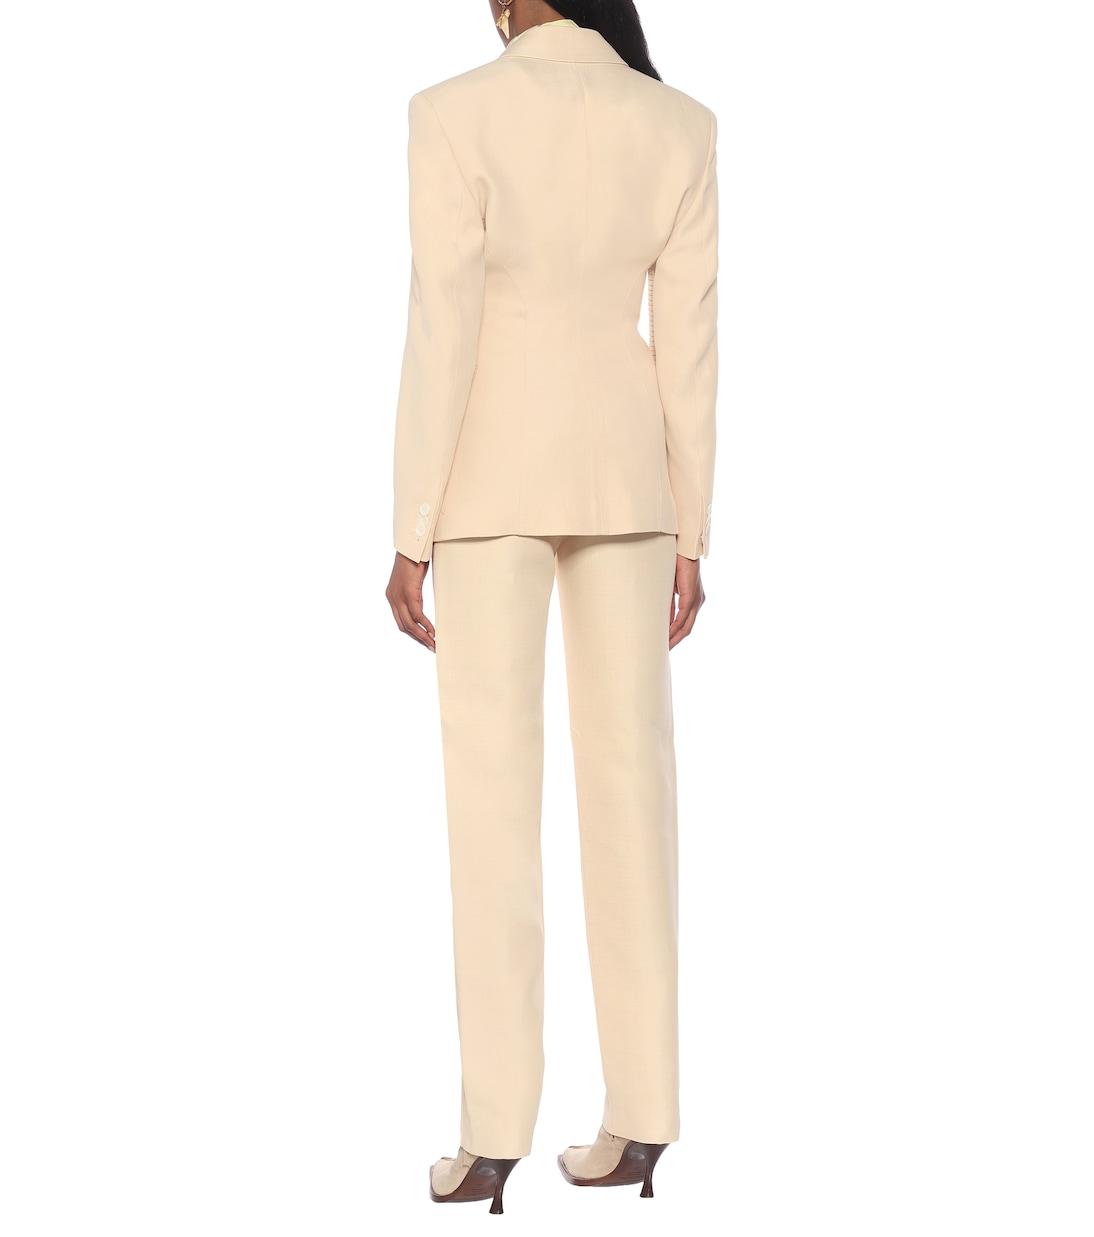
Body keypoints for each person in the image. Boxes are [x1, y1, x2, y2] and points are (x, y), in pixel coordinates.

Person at [385, 0, 717, 1213]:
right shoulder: (677, 123)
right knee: (633, 793)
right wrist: (692, 527)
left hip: (488, 485)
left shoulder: (451, 114)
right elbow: (688, 341)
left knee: (492, 805)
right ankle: (642, 1119)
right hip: (627, 482)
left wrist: (410, 526)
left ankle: (490, 1140)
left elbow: (444, 323)